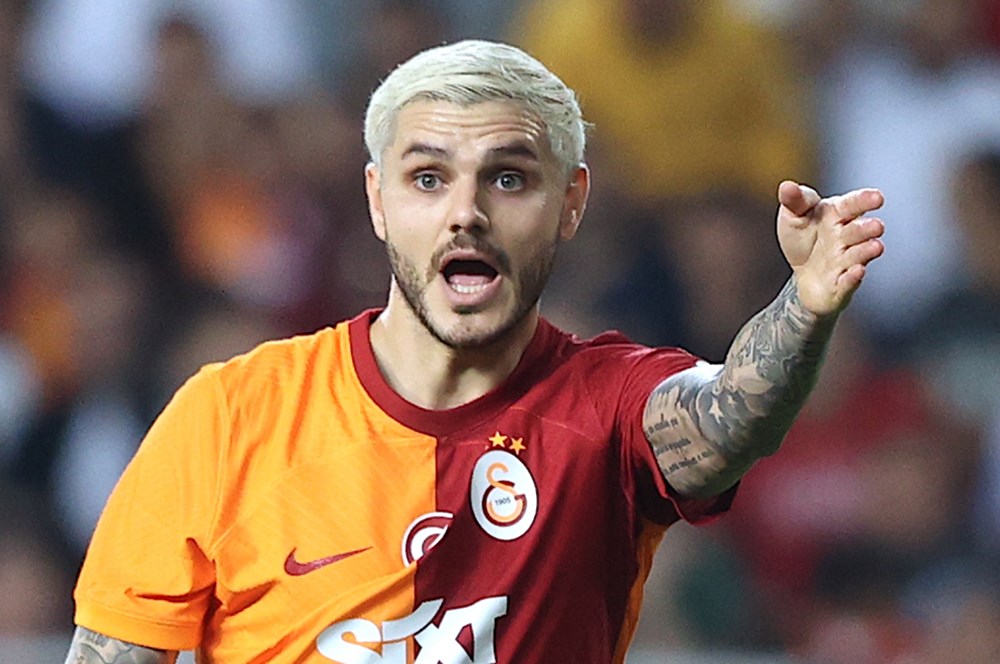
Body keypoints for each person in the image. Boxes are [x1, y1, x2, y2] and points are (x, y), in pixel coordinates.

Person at [63, 39, 885, 663]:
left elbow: (727, 419)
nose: (466, 213)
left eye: (508, 178)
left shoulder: (608, 405)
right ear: (377, 200)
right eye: (428, 178)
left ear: (571, 203)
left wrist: (806, 303)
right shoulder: (228, 417)